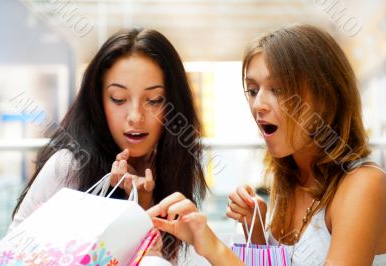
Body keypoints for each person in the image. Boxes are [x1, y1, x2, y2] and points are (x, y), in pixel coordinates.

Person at [148, 24, 386, 265]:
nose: (258, 105)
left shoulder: (363, 183)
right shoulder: (291, 176)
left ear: (326, 98)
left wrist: (213, 247)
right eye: (252, 90)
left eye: (279, 89)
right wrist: (258, 230)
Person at [10, 28, 208, 262]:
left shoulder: (169, 169)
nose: (135, 116)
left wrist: (142, 204)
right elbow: (13, 252)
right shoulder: (68, 167)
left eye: (154, 100)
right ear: (98, 102)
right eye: (118, 99)